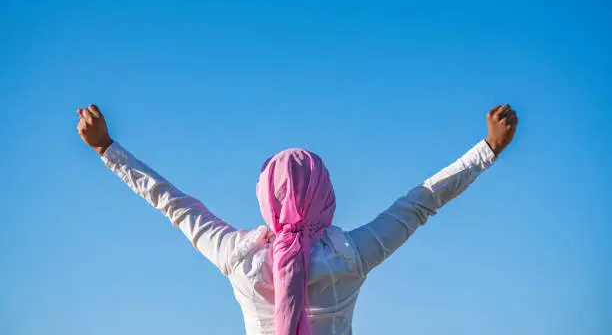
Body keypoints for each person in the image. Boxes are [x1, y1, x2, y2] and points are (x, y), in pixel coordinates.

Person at [77, 103, 518, 335]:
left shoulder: (238, 255)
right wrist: (488, 149)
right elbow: (420, 203)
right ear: (325, 194)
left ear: (266, 197)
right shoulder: (352, 254)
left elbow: (172, 203)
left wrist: (106, 149)